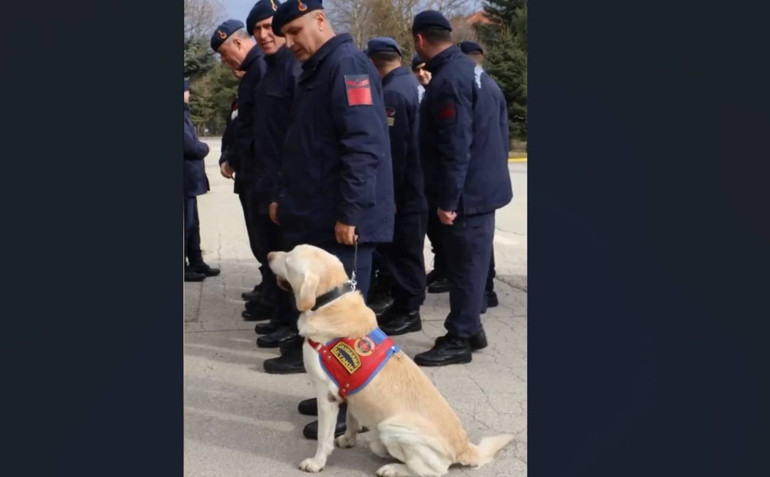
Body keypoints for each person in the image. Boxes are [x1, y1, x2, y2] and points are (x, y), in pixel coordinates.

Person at [271, 0, 394, 440]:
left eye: (295, 31)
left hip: (344, 221)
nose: (290, 43)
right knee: (329, 321)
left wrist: (351, 212)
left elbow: (364, 145)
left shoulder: (346, 65)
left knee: (344, 323)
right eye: (284, 34)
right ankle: (334, 392)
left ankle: (349, 409)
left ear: (320, 20)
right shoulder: (318, 68)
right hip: (321, 215)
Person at [411, 11, 512, 366]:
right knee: (470, 264)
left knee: (465, 266)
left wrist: (450, 200)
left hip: (467, 193)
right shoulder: (474, 71)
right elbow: (500, 128)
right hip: (483, 186)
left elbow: (456, 145)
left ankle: (459, 339)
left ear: (420, 40)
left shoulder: (448, 80)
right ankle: (471, 329)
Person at [243, 0, 308, 374]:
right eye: (258, 30)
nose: (265, 35)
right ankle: (287, 324)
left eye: (270, 27)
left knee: (294, 264)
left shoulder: (296, 70)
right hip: (270, 182)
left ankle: (295, 332)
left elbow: (296, 139)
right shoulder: (271, 69)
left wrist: (283, 190)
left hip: (289, 187)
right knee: (277, 258)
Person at [365, 37, 427, 336]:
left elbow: (393, 152)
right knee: (407, 249)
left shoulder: (392, 94)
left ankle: (409, 308)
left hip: (405, 188)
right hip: (418, 183)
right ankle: (403, 303)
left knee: (404, 251)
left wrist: (391, 195)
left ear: (373, 64)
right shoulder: (412, 84)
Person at [211, 19, 270, 321]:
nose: (224, 61)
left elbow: (254, 128)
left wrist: (233, 158)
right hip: (251, 171)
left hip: (260, 171)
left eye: (224, 53)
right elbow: (237, 126)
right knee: (259, 238)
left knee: (267, 238)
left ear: (237, 43)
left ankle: (275, 301)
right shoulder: (253, 72)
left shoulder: (260, 68)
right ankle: (270, 292)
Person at [459, 40, 504, 312]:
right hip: (491, 175)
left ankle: (484, 292)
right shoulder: (490, 85)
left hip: (478, 178)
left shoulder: (477, 87)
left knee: (476, 245)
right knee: (483, 242)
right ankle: (487, 290)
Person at [183, 79, 220, 281]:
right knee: (185, 224)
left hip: (189, 180)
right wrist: (204, 148)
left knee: (192, 223)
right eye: (187, 91)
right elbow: (188, 145)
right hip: (184, 179)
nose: (189, 95)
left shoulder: (184, 113)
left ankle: (196, 261)